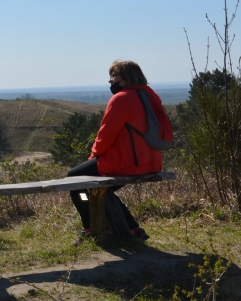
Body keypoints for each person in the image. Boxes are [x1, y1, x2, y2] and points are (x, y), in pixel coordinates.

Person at [68, 60, 171, 243]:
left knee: (75, 181)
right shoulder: (149, 96)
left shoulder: (121, 99)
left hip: (127, 163)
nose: (110, 81)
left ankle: (89, 228)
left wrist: (94, 157)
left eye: (114, 76)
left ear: (126, 79)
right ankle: (133, 229)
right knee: (102, 189)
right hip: (151, 162)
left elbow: (105, 135)